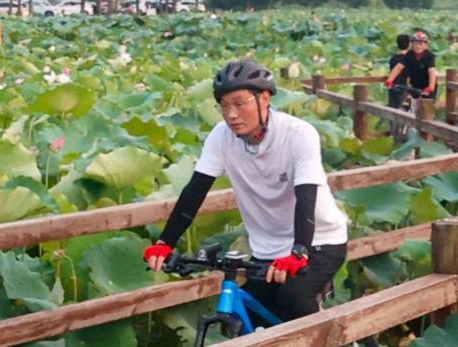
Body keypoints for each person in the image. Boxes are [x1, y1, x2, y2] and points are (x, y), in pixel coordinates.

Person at [145, 59, 351, 331]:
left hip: (319, 241)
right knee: (248, 323)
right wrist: (165, 242)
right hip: (266, 247)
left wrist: (299, 251)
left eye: (240, 103)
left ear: (264, 99)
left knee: (295, 299)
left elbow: (305, 197)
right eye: (225, 106)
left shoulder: (299, 135)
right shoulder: (221, 137)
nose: (231, 114)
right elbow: (194, 191)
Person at [384, 28, 437, 109]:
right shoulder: (410, 54)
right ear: (412, 45)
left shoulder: (429, 56)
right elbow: (399, 67)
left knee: (426, 109)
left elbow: (431, 72)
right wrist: (389, 81)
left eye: (420, 44)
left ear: (426, 45)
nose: (418, 46)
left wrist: (430, 88)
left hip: (427, 85)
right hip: (415, 85)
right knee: (413, 107)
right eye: (415, 44)